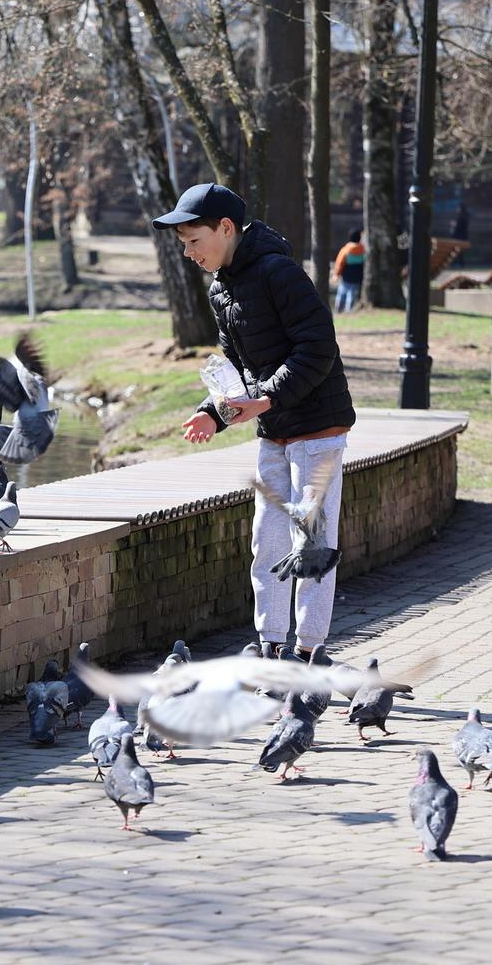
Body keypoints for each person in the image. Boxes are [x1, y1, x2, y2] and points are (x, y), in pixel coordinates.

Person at [155, 182, 356, 662]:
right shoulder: (221, 289)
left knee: (310, 543)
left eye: (193, 240)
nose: (188, 252)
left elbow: (318, 350)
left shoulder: (279, 273)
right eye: (182, 244)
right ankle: (270, 644)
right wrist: (213, 412)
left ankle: (310, 649)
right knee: (266, 542)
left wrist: (264, 400)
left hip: (317, 430)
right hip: (274, 431)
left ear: (225, 228)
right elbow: (238, 371)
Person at [332, 228, 365, 313]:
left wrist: (336, 274)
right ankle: (349, 310)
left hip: (346, 276)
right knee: (352, 294)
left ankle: (338, 310)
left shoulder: (346, 250)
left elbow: (340, 263)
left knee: (341, 293)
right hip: (358, 277)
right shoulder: (362, 249)